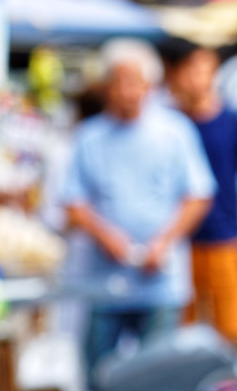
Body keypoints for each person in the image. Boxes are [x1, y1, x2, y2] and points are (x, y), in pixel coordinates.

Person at [62, 38, 215, 385]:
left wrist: (163, 242)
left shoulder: (175, 131)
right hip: (104, 281)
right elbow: (73, 203)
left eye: (136, 82)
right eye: (120, 81)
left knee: (159, 378)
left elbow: (198, 195)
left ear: (150, 86)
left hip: (160, 281)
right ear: (106, 86)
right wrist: (108, 236)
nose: (128, 91)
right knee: (99, 375)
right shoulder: (89, 137)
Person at [163, 36, 237, 341]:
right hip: (177, 237)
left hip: (223, 234)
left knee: (229, 324)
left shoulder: (229, 122)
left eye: (205, 69)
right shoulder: (169, 123)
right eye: (191, 69)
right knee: (183, 326)